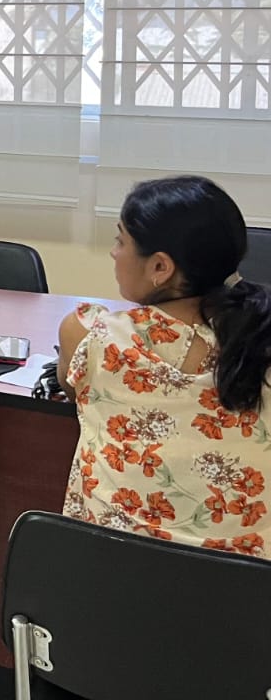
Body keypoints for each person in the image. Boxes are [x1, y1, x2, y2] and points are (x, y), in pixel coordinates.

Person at [59, 176, 271, 557]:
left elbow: (69, 386)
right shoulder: (260, 339)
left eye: (120, 241)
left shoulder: (93, 336)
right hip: (248, 587)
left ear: (160, 267)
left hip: (110, 575)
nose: (113, 253)